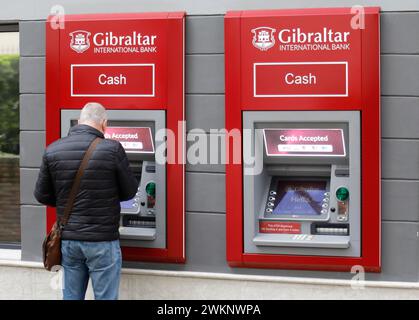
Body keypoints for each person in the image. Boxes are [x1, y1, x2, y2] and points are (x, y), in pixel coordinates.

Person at [34, 102, 138, 300]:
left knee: (71, 297)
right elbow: (130, 192)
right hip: (103, 241)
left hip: (69, 241)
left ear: (79, 121)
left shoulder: (53, 150)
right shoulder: (113, 149)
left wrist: (66, 199)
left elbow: (41, 195)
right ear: (104, 124)